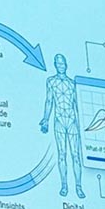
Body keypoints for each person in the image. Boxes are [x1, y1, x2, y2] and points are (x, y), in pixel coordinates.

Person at [39, 53, 86, 199]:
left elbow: (77, 105)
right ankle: (64, 185)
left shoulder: (72, 83)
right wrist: (45, 119)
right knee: (62, 155)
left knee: (76, 155)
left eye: (63, 63)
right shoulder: (51, 81)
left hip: (72, 121)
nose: (61, 66)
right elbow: (49, 101)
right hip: (59, 120)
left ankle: (78, 186)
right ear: (55, 65)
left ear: (66, 65)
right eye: (58, 64)